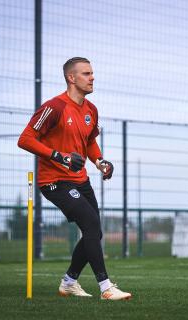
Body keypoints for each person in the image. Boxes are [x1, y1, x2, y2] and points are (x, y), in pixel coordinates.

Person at [18, 57, 131, 301]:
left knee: (95, 232)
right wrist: (60, 157)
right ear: (71, 78)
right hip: (54, 181)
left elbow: (89, 141)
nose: (92, 77)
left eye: (92, 73)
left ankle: (69, 282)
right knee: (91, 225)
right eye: (86, 73)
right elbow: (25, 139)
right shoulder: (54, 107)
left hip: (81, 179)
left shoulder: (91, 109)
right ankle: (106, 287)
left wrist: (100, 162)